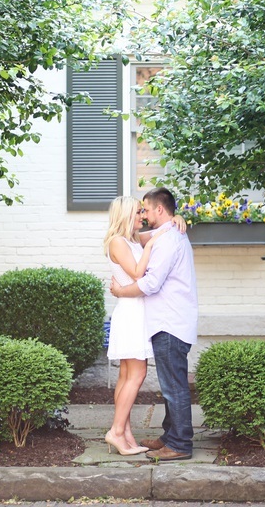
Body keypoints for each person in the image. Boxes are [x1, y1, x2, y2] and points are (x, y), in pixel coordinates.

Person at [110, 187, 198, 462]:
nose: (144, 215)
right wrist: (176, 218)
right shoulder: (161, 236)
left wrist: (120, 291)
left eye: (146, 210)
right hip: (165, 320)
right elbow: (144, 242)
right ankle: (169, 436)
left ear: (159, 209)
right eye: (139, 211)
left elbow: (149, 283)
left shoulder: (168, 240)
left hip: (169, 322)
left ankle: (180, 443)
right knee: (171, 384)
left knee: (174, 387)